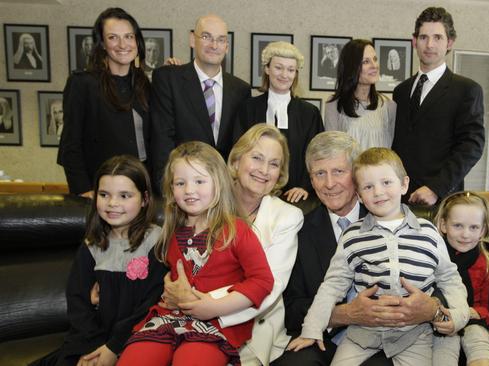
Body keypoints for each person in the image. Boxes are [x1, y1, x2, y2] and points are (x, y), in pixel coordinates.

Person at [278, 132, 450, 366]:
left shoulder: (397, 218)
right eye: (320, 173)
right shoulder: (299, 229)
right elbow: (291, 307)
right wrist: (345, 314)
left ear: (357, 175)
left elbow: (445, 282)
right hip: (323, 337)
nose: (329, 183)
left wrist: (431, 308)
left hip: (392, 337)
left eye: (338, 171)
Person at [118, 141, 274, 366]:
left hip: (214, 324)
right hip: (168, 318)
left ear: (218, 183)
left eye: (199, 181)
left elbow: (262, 281)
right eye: (180, 183)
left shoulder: (236, 230)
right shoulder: (172, 232)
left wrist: (214, 307)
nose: (189, 190)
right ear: (171, 190)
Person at [160, 124, 304, 366]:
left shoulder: (287, 217)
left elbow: (270, 286)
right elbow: (178, 257)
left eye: (274, 164)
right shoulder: (201, 197)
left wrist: (201, 302)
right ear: (236, 161)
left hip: (252, 326)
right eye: (257, 158)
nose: (264, 170)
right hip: (183, 316)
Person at [30, 155, 166, 366]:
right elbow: (78, 302)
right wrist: (93, 348)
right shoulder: (92, 244)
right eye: (104, 194)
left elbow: (151, 305)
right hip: (90, 341)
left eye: (124, 195)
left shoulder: (157, 242)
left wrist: (113, 348)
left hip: (135, 341)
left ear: (145, 199)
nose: (113, 203)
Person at [392, 6, 485, 206]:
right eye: (424, 37)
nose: (430, 44)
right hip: (399, 199)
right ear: (414, 41)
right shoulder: (400, 91)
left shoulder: (467, 89)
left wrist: (436, 188)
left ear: (449, 42)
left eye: (438, 37)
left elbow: (472, 146)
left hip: (442, 201)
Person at [150, 14, 251, 192]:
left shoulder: (241, 90)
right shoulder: (168, 79)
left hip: (223, 189)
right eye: (206, 37)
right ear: (192, 39)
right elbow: (161, 139)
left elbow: (239, 147)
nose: (214, 45)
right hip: (182, 187)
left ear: (227, 47)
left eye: (221, 40)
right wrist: (166, 188)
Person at [57, 7, 151, 198]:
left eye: (128, 36)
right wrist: (83, 190)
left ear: (137, 41)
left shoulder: (144, 84)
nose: (123, 44)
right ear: (101, 44)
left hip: (141, 189)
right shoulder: (82, 84)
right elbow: (70, 145)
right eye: (113, 37)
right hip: (102, 191)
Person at [236, 41, 324, 203]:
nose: (284, 75)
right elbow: (238, 152)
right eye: (278, 67)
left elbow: (317, 155)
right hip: (252, 194)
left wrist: (305, 186)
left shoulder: (309, 113)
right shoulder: (247, 108)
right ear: (267, 69)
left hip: (295, 197)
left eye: (291, 70)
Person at [434, 191, 489, 366]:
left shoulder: (486, 263)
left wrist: (476, 313)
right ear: (443, 225)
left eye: (474, 227)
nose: (465, 235)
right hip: (442, 321)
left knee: (480, 347)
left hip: (473, 320)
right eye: (458, 226)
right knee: (443, 354)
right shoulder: (433, 257)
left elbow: (488, 308)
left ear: (483, 230)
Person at [324, 39, 396, 150]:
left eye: (375, 59)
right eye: (366, 62)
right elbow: (331, 153)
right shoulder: (334, 105)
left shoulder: (389, 106)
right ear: (352, 67)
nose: (374, 66)